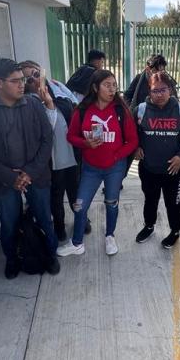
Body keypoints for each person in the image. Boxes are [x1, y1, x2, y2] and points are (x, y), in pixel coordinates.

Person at [0, 59, 61, 279]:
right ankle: (12, 260)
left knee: (44, 219)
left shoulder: (33, 104)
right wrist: (9, 177)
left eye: (23, 80)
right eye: (15, 81)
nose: (22, 85)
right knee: (9, 224)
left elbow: (46, 139)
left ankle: (51, 255)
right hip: (3, 181)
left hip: (36, 176)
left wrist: (29, 172)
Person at [58, 70, 139, 257]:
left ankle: (110, 236)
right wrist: (85, 143)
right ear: (95, 87)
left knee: (111, 203)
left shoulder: (121, 110)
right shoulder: (83, 109)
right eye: (107, 85)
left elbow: (133, 141)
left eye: (114, 85)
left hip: (114, 168)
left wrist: (116, 156)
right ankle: (77, 243)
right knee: (79, 205)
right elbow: (70, 136)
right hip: (90, 169)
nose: (112, 89)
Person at [19, 60, 91, 240]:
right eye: (28, 79)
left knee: (77, 191)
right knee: (56, 195)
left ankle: (82, 219)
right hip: (51, 157)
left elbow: (75, 106)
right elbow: (42, 131)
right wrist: (48, 103)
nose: (34, 80)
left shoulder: (57, 86)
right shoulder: (28, 102)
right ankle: (59, 225)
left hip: (71, 152)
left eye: (36, 74)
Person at [132, 71, 180, 249]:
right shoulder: (141, 111)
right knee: (150, 200)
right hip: (149, 168)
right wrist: (136, 147)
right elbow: (131, 134)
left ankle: (175, 230)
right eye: (155, 91)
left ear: (170, 90)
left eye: (163, 90)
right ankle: (149, 226)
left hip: (173, 171)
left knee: (173, 203)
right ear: (149, 91)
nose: (159, 95)